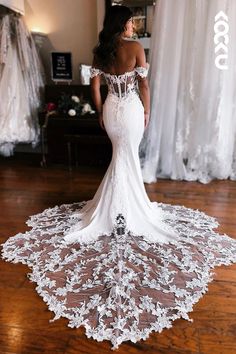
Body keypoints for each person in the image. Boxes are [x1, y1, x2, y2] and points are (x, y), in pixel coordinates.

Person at [1, 5, 236, 350]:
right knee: (127, 159)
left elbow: (94, 87)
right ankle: (128, 209)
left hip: (112, 110)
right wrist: (148, 112)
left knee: (119, 158)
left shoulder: (101, 51)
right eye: (130, 21)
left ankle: (115, 208)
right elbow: (145, 87)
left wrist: (100, 113)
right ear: (123, 23)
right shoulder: (136, 48)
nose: (132, 25)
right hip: (131, 112)